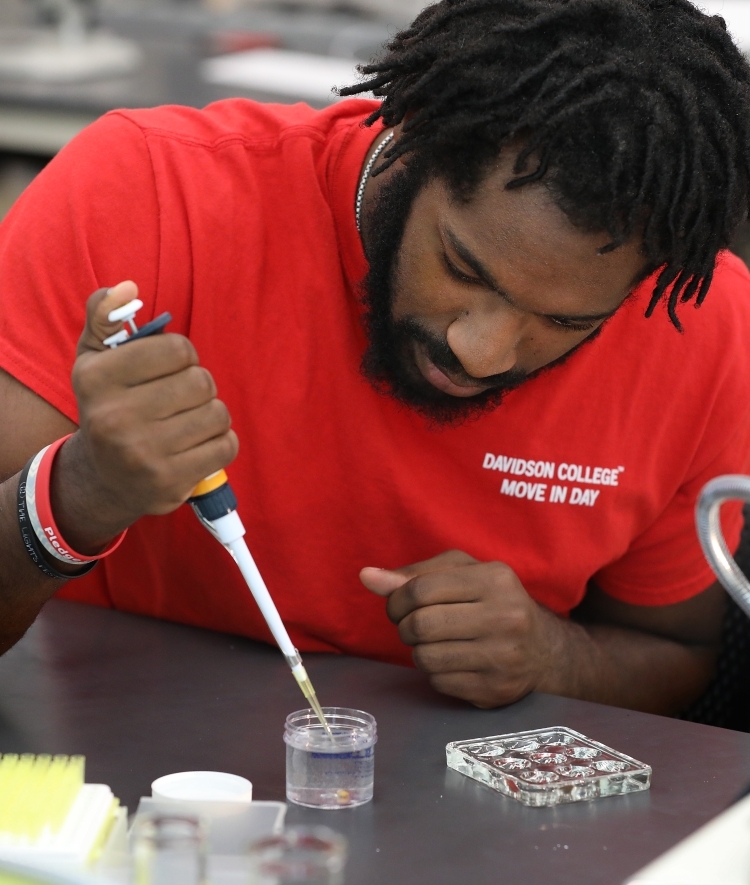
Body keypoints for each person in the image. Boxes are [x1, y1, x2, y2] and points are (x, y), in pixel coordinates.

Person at [1, 0, 750, 716]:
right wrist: (82, 490)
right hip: (99, 750)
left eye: (564, 322)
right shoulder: (151, 193)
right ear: (409, 136)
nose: (482, 352)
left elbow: (675, 653)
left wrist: (555, 658)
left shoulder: (700, 325)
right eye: (462, 268)